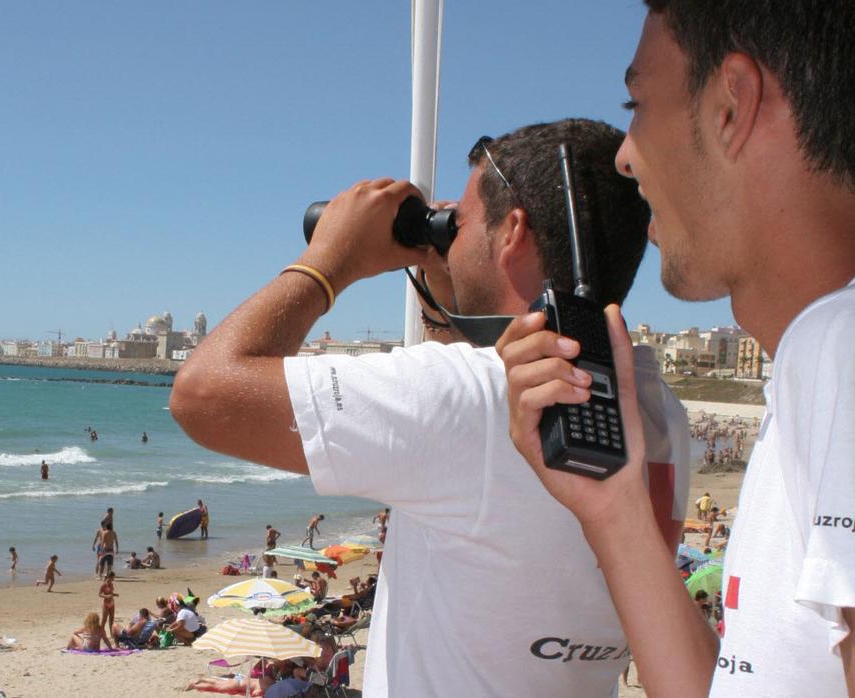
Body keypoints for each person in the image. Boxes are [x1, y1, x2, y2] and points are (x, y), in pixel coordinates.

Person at [170, 119, 691, 696]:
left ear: (512, 232)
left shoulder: (475, 398)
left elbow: (202, 396)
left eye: (459, 224)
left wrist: (330, 261)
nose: (448, 236)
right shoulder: (658, 408)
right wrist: (448, 301)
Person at [496, 4, 855, 697]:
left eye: (638, 104)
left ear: (732, 106)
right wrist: (614, 505)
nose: (626, 155)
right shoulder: (807, 382)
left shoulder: (836, 347)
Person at [98, 571, 118, 642]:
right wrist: (106, 596)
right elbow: (99, 594)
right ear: (109, 577)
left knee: (111, 619)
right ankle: (100, 634)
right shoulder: (104, 585)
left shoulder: (112, 584)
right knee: (104, 620)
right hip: (106, 604)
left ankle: (111, 634)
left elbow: (111, 593)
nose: (114, 579)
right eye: (113, 577)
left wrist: (115, 594)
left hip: (112, 603)